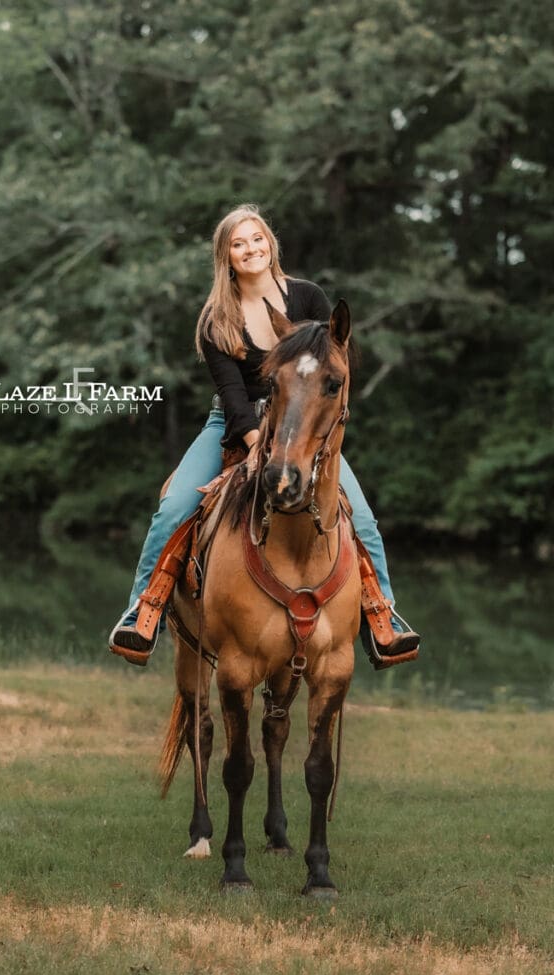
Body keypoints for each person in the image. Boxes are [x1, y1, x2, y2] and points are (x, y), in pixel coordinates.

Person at [109, 204, 420, 667]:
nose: (250, 249)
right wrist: (259, 445)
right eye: (238, 243)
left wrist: (299, 437)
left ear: (270, 242)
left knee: (364, 519)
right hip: (235, 424)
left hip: (303, 423)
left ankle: (383, 617)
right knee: (174, 505)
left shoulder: (308, 298)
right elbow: (231, 394)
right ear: (226, 256)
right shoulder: (217, 317)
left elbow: (330, 367)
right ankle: (143, 608)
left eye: (256, 238)